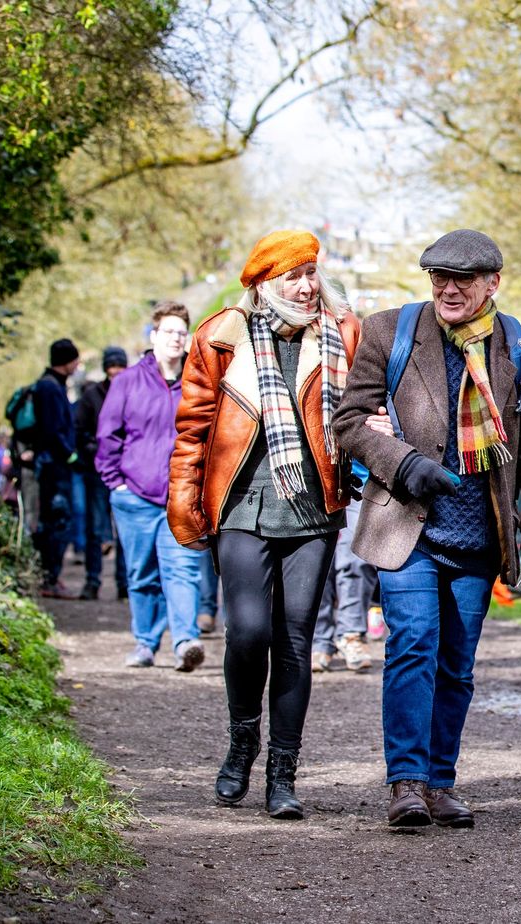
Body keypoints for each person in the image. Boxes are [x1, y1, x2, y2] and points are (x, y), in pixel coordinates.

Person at [335, 229, 521, 829]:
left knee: (457, 662)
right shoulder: (389, 332)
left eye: (462, 278)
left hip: (481, 537)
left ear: (493, 282)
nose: (448, 287)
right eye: (438, 275)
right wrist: (403, 463)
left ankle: (440, 781)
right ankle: (406, 783)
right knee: (414, 641)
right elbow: (350, 422)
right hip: (407, 526)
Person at [168, 230, 360, 820]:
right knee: (248, 632)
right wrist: (183, 499)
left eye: (310, 274)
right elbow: (193, 426)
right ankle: (241, 745)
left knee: (296, 640)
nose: (305, 287)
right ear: (264, 284)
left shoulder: (343, 334)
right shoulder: (220, 336)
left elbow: (365, 411)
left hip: (311, 506)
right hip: (241, 504)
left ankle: (283, 771)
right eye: (291, 277)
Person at [97, 304, 205, 672]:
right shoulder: (127, 381)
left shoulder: (199, 379)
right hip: (136, 498)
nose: (177, 338)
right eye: (169, 331)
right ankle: (145, 643)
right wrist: (117, 484)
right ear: (154, 336)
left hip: (183, 495)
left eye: (182, 332)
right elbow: (107, 435)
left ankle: (185, 642)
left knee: (183, 570)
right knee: (141, 573)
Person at [75, 346, 129, 601]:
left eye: (120, 366)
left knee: (124, 530)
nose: (116, 371)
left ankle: (123, 583)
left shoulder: (132, 391)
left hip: (126, 471)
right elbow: (80, 430)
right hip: (96, 471)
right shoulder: (91, 395)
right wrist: (96, 450)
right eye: (112, 366)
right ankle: (92, 581)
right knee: (95, 528)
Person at [311, 467, 377, 673]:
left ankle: (351, 634)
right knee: (317, 565)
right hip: (315, 483)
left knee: (358, 560)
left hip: (359, 481)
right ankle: (319, 640)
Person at [33, 338, 82, 598]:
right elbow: (53, 430)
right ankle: (49, 578)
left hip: (52, 463)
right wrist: (71, 455)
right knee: (57, 521)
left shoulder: (49, 384)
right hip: (54, 466)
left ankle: (51, 576)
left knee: (53, 521)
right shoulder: (50, 388)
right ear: (68, 361)